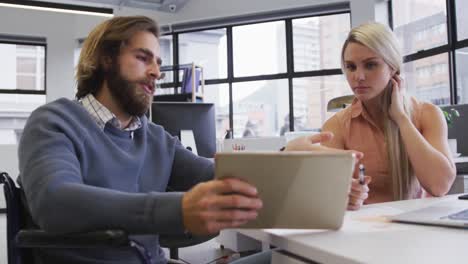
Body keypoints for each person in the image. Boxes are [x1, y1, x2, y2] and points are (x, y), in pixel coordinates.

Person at [17, 16, 333, 264]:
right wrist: (179, 208)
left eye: (158, 63)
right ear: (105, 59)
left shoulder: (152, 136)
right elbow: (55, 201)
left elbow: (216, 175)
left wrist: (289, 160)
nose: (156, 72)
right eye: (143, 58)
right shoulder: (54, 121)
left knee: (296, 261)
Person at [321, 22, 456, 210]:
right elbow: (326, 195)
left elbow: (439, 185)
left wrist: (401, 119)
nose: (358, 76)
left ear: (393, 68)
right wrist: (345, 197)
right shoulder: (336, 126)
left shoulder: (428, 114)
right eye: (351, 67)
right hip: (363, 231)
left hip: (417, 229)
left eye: (370, 65)